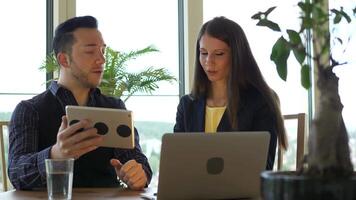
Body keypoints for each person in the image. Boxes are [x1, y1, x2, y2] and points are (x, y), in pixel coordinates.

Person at [8, 15, 152, 190]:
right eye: (90, 51)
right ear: (63, 60)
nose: (102, 59)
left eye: (102, 51)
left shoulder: (115, 107)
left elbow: (138, 163)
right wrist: (56, 154)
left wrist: (138, 174)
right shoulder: (30, 110)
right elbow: (16, 173)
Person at [174, 16, 287, 170]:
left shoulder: (260, 102)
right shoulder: (187, 105)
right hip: (195, 192)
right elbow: (177, 162)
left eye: (219, 54)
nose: (209, 61)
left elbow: (263, 168)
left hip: (242, 193)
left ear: (237, 55)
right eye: (203, 53)